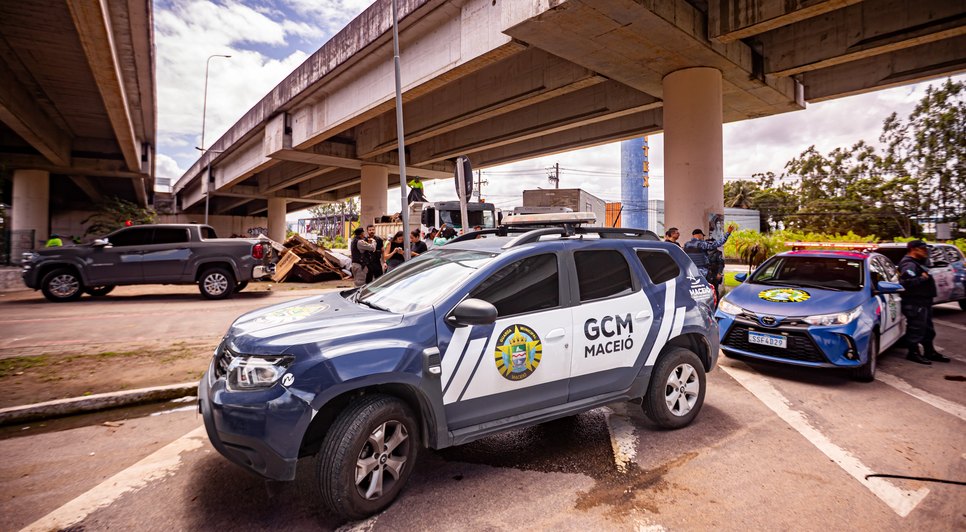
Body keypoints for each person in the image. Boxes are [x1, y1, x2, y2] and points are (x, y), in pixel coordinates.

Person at [898, 240, 949, 364]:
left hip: (923, 301)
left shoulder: (918, 263)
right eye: (923, 249)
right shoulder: (908, 264)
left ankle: (929, 351)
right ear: (914, 249)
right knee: (916, 329)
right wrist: (922, 278)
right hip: (915, 302)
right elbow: (906, 283)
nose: (926, 251)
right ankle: (913, 353)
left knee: (927, 329)